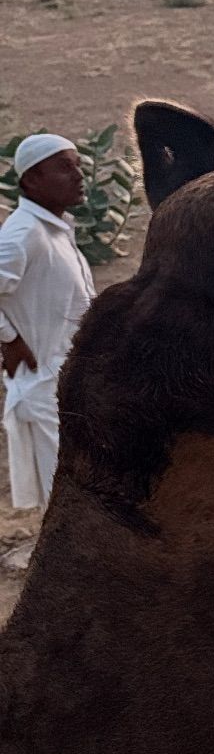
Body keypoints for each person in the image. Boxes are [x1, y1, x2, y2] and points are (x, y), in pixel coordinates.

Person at [0, 134, 94, 516]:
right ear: (31, 181)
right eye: (64, 167)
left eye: (77, 164)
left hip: (68, 387)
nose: (78, 174)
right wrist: (9, 340)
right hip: (43, 391)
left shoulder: (54, 231)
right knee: (70, 503)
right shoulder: (24, 234)